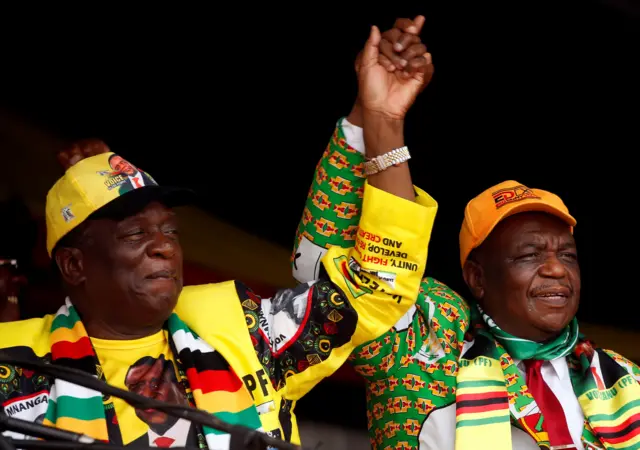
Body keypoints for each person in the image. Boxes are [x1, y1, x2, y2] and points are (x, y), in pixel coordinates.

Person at [0, 21, 438, 450]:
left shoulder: (239, 324)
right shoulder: (14, 364)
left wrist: (381, 122)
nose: (165, 245)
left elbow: (374, 289)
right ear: (74, 264)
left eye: (169, 229)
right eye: (135, 234)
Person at [292, 17, 640, 450]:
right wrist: (376, 119)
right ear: (477, 277)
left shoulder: (621, 379)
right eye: (529, 255)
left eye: (567, 255)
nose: (556, 268)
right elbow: (325, 264)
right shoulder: (429, 343)